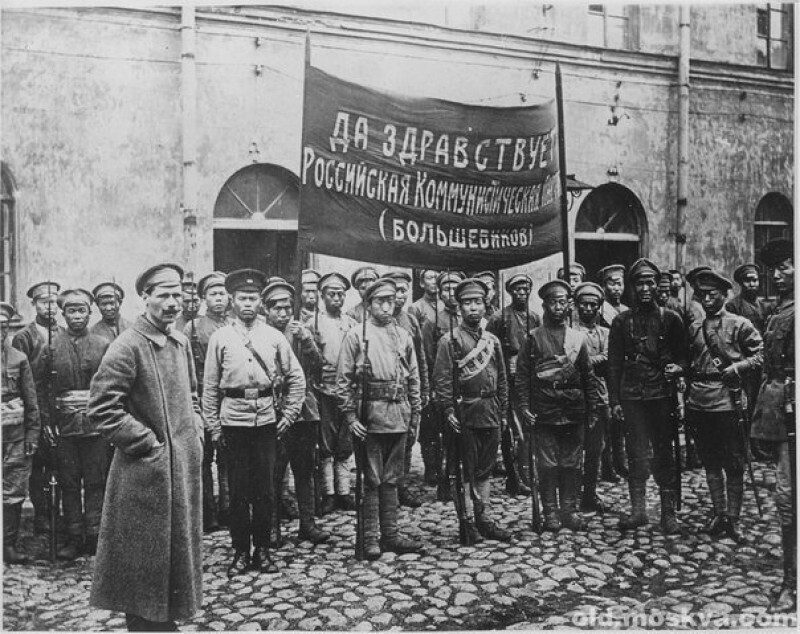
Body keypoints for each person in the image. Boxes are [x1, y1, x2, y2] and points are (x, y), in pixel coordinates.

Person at [88, 263, 204, 632]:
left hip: (180, 472)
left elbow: (193, 394)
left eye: (177, 295)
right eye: (163, 295)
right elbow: (103, 409)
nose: (172, 303)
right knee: (144, 572)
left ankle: (165, 623)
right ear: (146, 297)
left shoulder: (180, 341)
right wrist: (149, 445)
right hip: (144, 479)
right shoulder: (127, 346)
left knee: (174, 565)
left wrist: (195, 431)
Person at [203, 269, 305, 576]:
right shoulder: (220, 338)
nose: (248, 303)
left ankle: (262, 550)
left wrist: (288, 415)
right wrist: (214, 426)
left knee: (264, 490)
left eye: (253, 298)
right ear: (233, 300)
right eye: (242, 298)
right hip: (233, 421)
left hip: (266, 422)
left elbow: (296, 379)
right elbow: (209, 387)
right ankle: (239, 552)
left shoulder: (273, 337)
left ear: (260, 301)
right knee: (238, 491)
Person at [336, 277, 423, 559]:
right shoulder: (355, 336)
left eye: (390, 300)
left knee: (392, 476)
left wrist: (415, 416)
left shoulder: (403, 336)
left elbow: (414, 380)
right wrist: (350, 417)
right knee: (371, 477)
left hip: (399, 413)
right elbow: (343, 381)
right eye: (379, 301)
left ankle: (391, 534)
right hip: (370, 416)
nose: (386, 306)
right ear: (369, 304)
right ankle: (370, 537)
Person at [607, 258, 688, 535]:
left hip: (661, 396)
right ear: (632, 287)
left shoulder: (671, 319)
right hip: (632, 398)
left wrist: (678, 368)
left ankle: (667, 514)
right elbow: (614, 364)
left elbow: (685, 357)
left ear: (658, 286)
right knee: (636, 453)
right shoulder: (621, 322)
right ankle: (639, 511)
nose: (644, 288)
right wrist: (615, 401)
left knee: (664, 453)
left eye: (650, 282)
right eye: (639, 283)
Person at [684, 269, 762, 543]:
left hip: (728, 402)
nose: (706, 299)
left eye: (711, 294)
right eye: (701, 294)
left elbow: (760, 356)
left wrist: (738, 367)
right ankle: (719, 514)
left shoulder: (740, 324)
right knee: (710, 461)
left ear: (724, 294)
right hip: (699, 402)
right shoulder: (694, 328)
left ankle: (734, 518)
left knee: (735, 462)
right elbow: (689, 362)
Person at [515, 279, 599, 532]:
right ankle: (550, 512)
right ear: (544, 305)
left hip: (573, 408)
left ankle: (569, 511)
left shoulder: (577, 339)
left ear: (569, 305)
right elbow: (522, 377)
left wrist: (592, 408)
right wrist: (525, 407)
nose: (558, 307)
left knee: (572, 462)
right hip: (545, 408)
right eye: (553, 302)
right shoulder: (533, 339)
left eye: (562, 302)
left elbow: (588, 376)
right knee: (548, 463)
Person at [434, 278, 511, 542]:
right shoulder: (450, 341)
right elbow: (442, 379)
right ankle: (466, 521)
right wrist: (447, 410)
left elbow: (501, 378)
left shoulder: (493, 341)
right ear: (459, 308)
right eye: (467, 303)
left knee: (485, 469)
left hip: (490, 410)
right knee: (465, 469)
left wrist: (503, 412)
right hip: (465, 412)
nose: (473, 308)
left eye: (477, 302)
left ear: (485, 305)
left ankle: (484, 518)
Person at [262, 278, 330, 544]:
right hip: (274, 412)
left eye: (287, 308)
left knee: (305, 469)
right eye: (276, 308)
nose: (283, 314)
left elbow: (319, 365)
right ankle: (272, 527)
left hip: (304, 411)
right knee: (274, 472)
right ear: (266, 310)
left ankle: (308, 524)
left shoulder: (300, 331)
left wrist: (308, 341)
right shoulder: (260, 334)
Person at [750, 238, 796, 613]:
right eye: (775, 269)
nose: (778, 275)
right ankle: (790, 582)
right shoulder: (781, 311)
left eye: (787, 267)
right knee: (786, 500)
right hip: (785, 418)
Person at [51, 289, 110, 559]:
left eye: (82, 310)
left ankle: (95, 534)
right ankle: (74, 536)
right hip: (64, 427)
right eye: (71, 311)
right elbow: (41, 389)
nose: (77, 316)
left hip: (96, 425)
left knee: (96, 481)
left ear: (90, 312)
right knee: (69, 482)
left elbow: (111, 385)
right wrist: (47, 422)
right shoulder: (50, 346)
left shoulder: (102, 345)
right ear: (63, 315)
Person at [12, 281, 64, 535]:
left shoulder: (64, 333)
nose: (50, 307)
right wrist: (39, 418)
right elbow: (25, 380)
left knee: (61, 462)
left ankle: (59, 512)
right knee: (38, 464)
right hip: (35, 406)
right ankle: (42, 515)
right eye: (44, 302)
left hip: (60, 409)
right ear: (34, 305)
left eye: (54, 302)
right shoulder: (24, 337)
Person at [486, 273, 542, 496]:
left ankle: (527, 472)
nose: (522, 293)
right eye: (517, 289)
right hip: (507, 378)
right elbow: (488, 348)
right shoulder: (500, 318)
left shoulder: (535, 317)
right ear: (510, 292)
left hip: (529, 376)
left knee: (529, 427)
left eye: (525, 289)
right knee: (511, 430)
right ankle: (513, 476)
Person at [185, 271, 231, 533]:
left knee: (228, 457)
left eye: (222, 293)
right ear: (203, 298)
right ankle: (207, 512)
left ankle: (228, 507)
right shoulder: (193, 328)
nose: (218, 299)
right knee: (204, 458)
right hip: (203, 396)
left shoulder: (235, 325)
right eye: (212, 294)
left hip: (229, 399)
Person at [310, 271, 359, 514]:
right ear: (322, 296)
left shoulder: (351, 324)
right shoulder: (313, 323)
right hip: (324, 390)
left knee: (345, 442)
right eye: (332, 294)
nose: (337, 298)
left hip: (347, 391)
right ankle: (328, 493)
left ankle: (344, 492)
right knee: (326, 443)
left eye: (341, 294)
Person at [381, 270, 428, 508]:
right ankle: (386, 489)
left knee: (408, 439)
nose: (400, 296)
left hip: (407, 389)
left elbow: (418, 358)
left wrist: (423, 390)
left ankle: (401, 485)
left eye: (403, 291)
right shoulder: (376, 320)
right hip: (384, 392)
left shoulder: (410, 321)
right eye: (395, 291)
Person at [2, 302, 40, 564]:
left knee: (14, 489)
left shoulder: (19, 358)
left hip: (14, 437)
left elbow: (31, 401)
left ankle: (8, 545)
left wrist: (32, 436)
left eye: (3, 327)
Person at [420, 270, 464, 501]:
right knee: (441, 435)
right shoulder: (432, 320)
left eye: (455, 288)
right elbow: (427, 357)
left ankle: (458, 475)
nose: (451, 293)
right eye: (446, 288)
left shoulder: (467, 319)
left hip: (465, 384)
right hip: (442, 383)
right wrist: (433, 388)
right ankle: (442, 476)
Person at [572, 282, 611, 513]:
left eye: (593, 305)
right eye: (584, 304)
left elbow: (608, 357)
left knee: (596, 447)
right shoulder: (570, 333)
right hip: (576, 397)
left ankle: (590, 492)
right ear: (577, 306)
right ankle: (573, 492)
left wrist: (584, 362)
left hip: (599, 395)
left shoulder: (605, 333)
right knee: (576, 446)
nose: (588, 309)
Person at [596, 264, 629, 480]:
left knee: (622, 420)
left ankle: (621, 461)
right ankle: (608, 466)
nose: (616, 288)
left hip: (625, 371)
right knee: (607, 420)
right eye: (611, 283)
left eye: (619, 283)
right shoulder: (600, 312)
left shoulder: (626, 311)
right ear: (603, 286)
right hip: (606, 369)